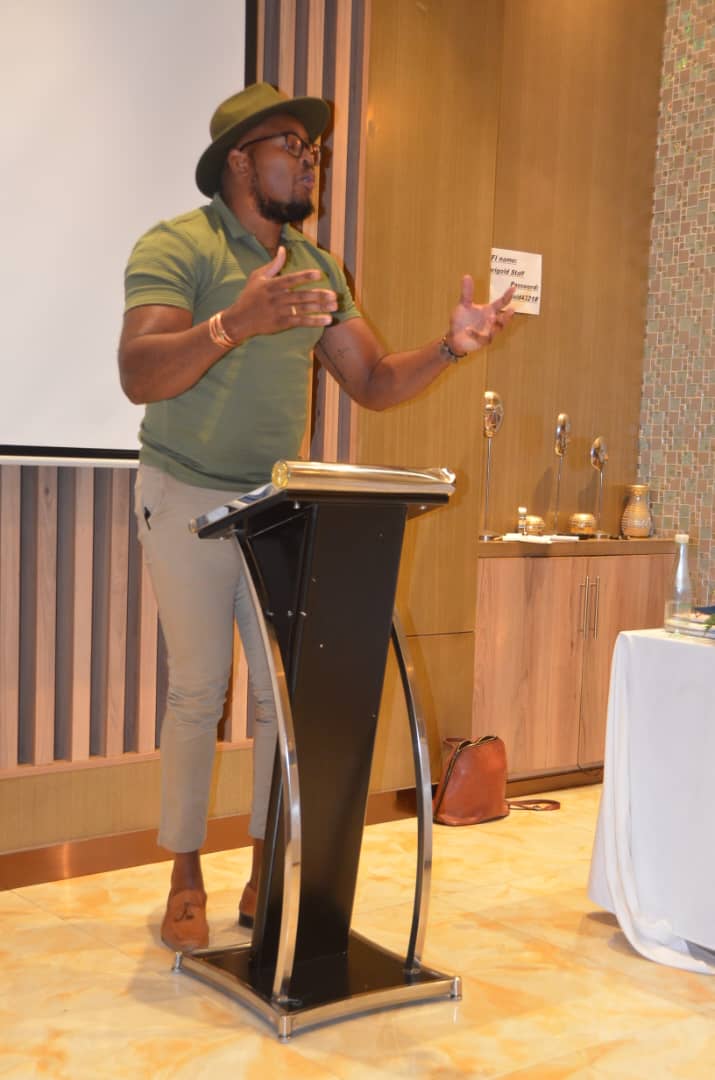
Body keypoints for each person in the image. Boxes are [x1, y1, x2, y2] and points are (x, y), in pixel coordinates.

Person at [118, 82, 514, 953]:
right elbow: (140, 374)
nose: (308, 162)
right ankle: (185, 873)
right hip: (183, 492)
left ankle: (265, 868)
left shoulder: (319, 266)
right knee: (196, 691)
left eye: (313, 151)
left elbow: (371, 382)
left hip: (272, 506)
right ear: (237, 160)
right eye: (290, 147)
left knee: (275, 698)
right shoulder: (175, 244)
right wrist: (232, 322)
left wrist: (452, 346)